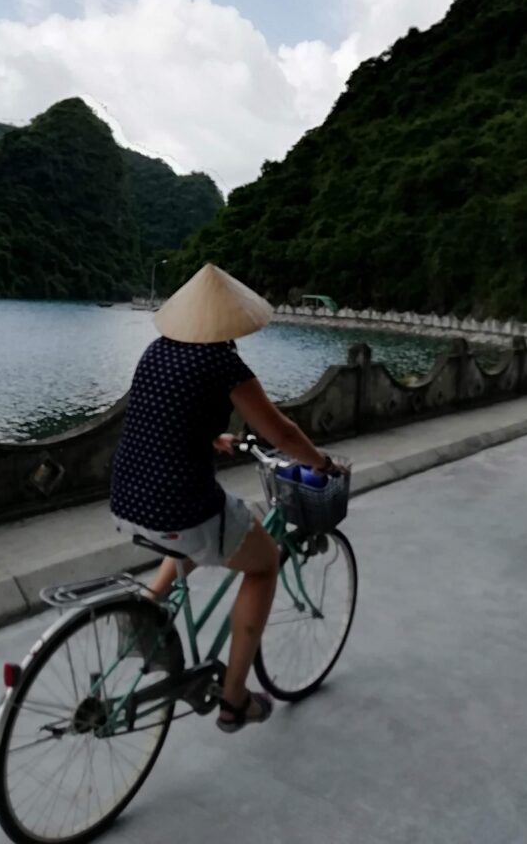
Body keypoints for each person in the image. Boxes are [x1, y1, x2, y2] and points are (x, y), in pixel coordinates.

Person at [111, 263, 348, 733]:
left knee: (200, 536)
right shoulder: (222, 364)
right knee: (262, 562)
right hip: (177, 504)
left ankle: (149, 606)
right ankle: (235, 700)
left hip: (126, 498)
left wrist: (209, 437)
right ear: (228, 322)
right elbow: (281, 431)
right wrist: (321, 463)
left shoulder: (158, 351)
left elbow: (164, 420)